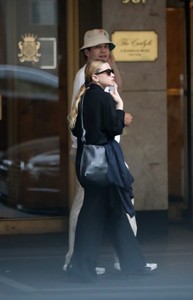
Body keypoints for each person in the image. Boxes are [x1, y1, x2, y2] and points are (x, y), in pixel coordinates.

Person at [63, 29, 157, 274]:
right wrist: (120, 114)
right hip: (99, 156)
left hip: (99, 154)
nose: (104, 51)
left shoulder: (98, 84)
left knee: (112, 208)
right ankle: (79, 262)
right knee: (95, 208)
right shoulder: (86, 83)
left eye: (107, 46)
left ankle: (120, 262)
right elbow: (95, 122)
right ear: (87, 54)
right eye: (98, 47)